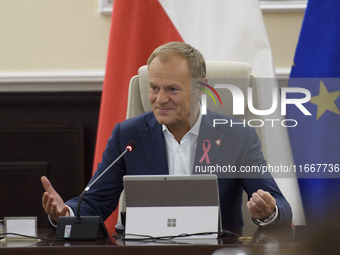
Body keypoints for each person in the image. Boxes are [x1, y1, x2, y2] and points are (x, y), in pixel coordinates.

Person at [42, 42, 292, 229]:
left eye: (172, 89)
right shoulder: (127, 136)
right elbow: (94, 203)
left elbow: (280, 206)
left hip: (215, 250)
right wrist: (65, 214)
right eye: (154, 88)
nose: (160, 99)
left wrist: (268, 211)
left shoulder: (236, 136)